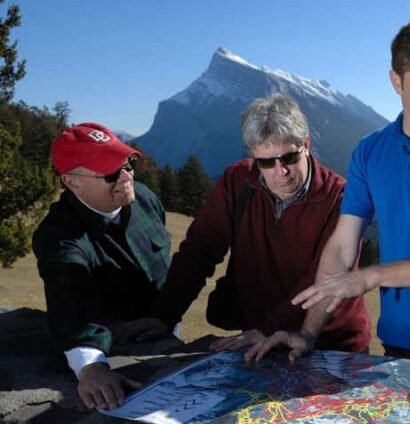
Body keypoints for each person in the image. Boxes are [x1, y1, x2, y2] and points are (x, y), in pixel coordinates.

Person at [250, 17, 410, 373]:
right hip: (398, 344)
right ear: (396, 81)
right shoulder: (370, 151)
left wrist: (372, 276)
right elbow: (342, 247)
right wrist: (309, 333)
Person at [119, 95, 371, 357]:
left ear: (305, 144)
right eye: (266, 162)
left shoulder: (342, 198)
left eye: (289, 158)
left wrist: (269, 329)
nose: (281, 171)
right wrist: (164, 315)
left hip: (332, 346)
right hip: (261, 339)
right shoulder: (237, 182)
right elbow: (200, 250)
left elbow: (327, 277)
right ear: (253, 155)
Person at [33, 123, 173, 410]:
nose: (126, 177)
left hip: (167, 332)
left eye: (128, 164)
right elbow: (68, 305)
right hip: (121, 346)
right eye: (110, 173)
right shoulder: (59, 238)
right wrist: (91, 368)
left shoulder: (145, 198)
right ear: (72, 182)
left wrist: (166, 315)